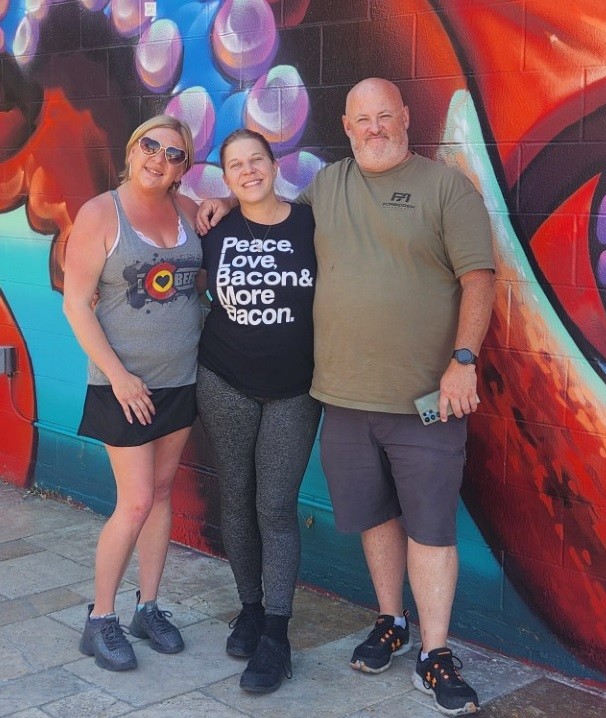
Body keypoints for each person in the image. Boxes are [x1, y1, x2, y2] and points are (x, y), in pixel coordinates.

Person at [198, 77, 495, 716]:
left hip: (426, 399)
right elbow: (264, 200)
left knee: (431, 526)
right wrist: (225, 199)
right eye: (363, 118)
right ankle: (391, 621)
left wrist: (463, 361)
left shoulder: (446, 187)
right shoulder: (326, 187)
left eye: (385, 115)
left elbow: (478, 278)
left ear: (406, 118)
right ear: (347, 124)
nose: (375, 127)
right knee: (373, 518)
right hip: (342, 398)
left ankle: (435, 652)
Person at [64, 115, 201, 672]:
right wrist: (118, 375)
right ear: (132, 146)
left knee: (163, 493)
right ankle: (100, 619)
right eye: (151, 145)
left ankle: (149, 606)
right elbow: (75, 304)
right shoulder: (101, 213)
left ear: (183, 168)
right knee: (137, 500)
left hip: (181, 380)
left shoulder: (190, 211)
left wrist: (226, 207)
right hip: (125, 387)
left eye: (174, 154)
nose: (159, 159)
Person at [196, 129, 320, 694]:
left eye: (256, 161)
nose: (247, 172)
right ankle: (249, 608)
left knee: (275, 505)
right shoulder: (214, 225)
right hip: (224, 380)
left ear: (275, 165)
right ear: (224, 177)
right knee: (237, 498)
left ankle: (277, 634)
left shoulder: (310, 223)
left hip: (295, 389)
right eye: (235, 166)